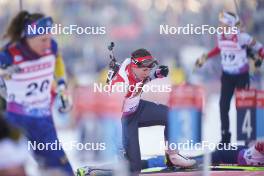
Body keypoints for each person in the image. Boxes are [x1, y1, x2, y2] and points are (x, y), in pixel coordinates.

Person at [0, 11, 73, 175]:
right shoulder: (9, 55)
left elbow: (58, 61)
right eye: (43, 40)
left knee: (62, 169)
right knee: (13, 169)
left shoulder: (51, 47)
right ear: (29, 38)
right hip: (17, 121)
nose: (48, 44)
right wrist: (3, 73)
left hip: (44, 121)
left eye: (49, 38)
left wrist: (62, 86)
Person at [110, 48, 196, 174]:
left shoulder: (137, 70)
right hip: (124, 119)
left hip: (137, 107)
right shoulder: (121, 85)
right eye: (145, 70)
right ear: (134, 67)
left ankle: (173, 156)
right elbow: (112, 119)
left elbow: (144, 78)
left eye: (149, 70)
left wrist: (157, 74)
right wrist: (119, 149)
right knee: (134, 169)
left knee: (171, 115)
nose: (147, 73)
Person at [195, 11, 264, 144]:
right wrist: (206, 57)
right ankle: (225, 137)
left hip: (241, 76)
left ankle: (246, 138)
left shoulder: (243, 37)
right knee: (223, 105)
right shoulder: (220, 35)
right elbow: (220, 48)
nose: (221, 26)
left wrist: (259, 58)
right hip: (227, 75)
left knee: (242, 106)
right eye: (220, 23)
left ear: (231, 24)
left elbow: (260, 48)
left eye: (224, 24)